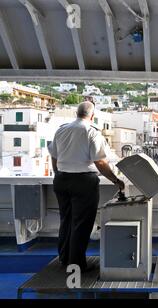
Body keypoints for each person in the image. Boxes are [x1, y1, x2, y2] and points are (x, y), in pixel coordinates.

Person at [48, 101, 125, 272]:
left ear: (77, 113)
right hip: (83, 182)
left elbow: (54, 155)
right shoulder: (92, 132)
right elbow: (100, 161)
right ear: (92, 116)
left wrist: (58, 173)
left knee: (66, 220)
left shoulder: (61, 129)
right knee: (81, 224)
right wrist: (115, 180)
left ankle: (64, 259)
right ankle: (76, 265)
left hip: (61, 180)